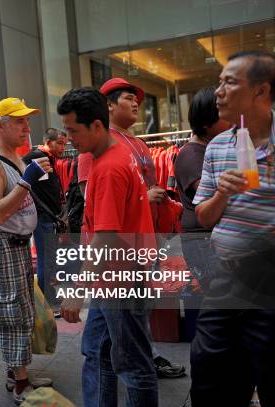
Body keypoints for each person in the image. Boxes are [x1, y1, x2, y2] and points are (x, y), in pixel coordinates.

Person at [191, 51, 275, 406]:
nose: (218, 91)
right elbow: (204, 218)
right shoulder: (219, 146)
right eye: (219, 81)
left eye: (229, 82)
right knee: (210, 375)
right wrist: (222, 192)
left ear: (261, 91)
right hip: (228, 278)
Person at [57, 87, 158, 407]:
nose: (68, 138)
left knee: (132, 364)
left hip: (120, 278)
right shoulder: (114, 155)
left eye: (73, 130)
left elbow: (106, 235)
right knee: (98, 351)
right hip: (114, 277)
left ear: (97, 126)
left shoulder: (110, 167)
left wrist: (77, 289)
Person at [99, 77, 186, 379]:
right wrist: (144, 197)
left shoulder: (136, 143)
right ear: (108, 106)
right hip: (120, 250)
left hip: (146, 240)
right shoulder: (100, 146)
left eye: (136, 98)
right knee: (124, 322)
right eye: (127, 98)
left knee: (132, 316)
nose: (136, 102)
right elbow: (94, 202)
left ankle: (138, 360)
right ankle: (138, 368)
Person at [0, 97, 53, 404]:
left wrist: (33, 177)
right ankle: (21, 384)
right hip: (3, 245)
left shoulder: (13, 157)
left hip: (17, 246)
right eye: (19, 121)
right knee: (12, 312)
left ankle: (17, 373)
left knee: (22, 310)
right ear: (0, 126)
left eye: (26, 120)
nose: (26, 126)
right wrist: (27, 181)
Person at [175, 88, 230, 291]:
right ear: (207, 123)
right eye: (224, 116)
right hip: (202, 241)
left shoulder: (210, 149)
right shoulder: (191, 155)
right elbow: (210, 197)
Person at [22, 128, 67, 306]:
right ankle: (45, 299)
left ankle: (47, 295)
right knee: (45, 258)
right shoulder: (36, 157)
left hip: (49, 217)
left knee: (49, 258)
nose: (63, 147)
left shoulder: (48, 159)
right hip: (42, 217)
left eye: (65, 143)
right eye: (60, 143)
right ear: (49, 142)